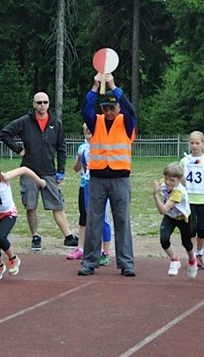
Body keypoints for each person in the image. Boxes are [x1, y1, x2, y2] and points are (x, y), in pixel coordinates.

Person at [0, 92, 78, 251]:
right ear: (34, 104)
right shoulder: (25, 122)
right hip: (29, 170)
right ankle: (35, 236)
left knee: (57, 204)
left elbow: (61, 148)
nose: (42, 105)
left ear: (49, 104)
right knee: (31, 205)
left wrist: (61, 170)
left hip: (49, 172)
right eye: (39, 102)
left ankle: (68, 236)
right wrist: (18, 149)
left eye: (45, 102)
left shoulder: (56, 123)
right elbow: (4, 134)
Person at [78, 74, 136, 277]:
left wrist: (113, 86)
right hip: (98, 178)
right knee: (94, 220)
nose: (109, 112)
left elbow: (130, 108)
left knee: (122, 220)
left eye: (113, 107)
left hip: (120, 178)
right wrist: (95, 87)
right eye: (105, 108)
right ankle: (89, 262)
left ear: (118, 108)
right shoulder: (96, 122)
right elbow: (85, 109)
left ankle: (126, 263)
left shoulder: (126, 122)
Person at [67, 123, 112, 266]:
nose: (89, 136)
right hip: (85, 185)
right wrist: (79, 159)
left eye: (92, 133)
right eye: (87, 133)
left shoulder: (103, 146)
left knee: (103, 219)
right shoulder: (82, 148)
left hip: (100, 186)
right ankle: (84, 249)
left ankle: (105, 252)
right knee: (86, 217)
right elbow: (76, 169)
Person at [179, 131, 204, 269]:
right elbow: (178, 179)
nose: (194, 146)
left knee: (201, 230)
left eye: (197, 143)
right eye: (192, 143)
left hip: (202, 200)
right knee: (191, 230)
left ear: (203, 144)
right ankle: (192, 255)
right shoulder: (185, 161)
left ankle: (199, 253)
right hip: (188, 200)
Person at [152, 163, 197, 279]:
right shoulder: (165, 183)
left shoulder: (179, 193)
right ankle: (175, 260)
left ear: (179, 179)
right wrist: (157, 184)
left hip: (183, 218)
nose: (168, 182)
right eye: (166, 179)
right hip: (170, 217)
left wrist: (155, 195)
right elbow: (161, 182)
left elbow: (162, 210)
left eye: (172, 180)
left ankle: (192, 258)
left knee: (186, 243)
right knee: (164, 239)